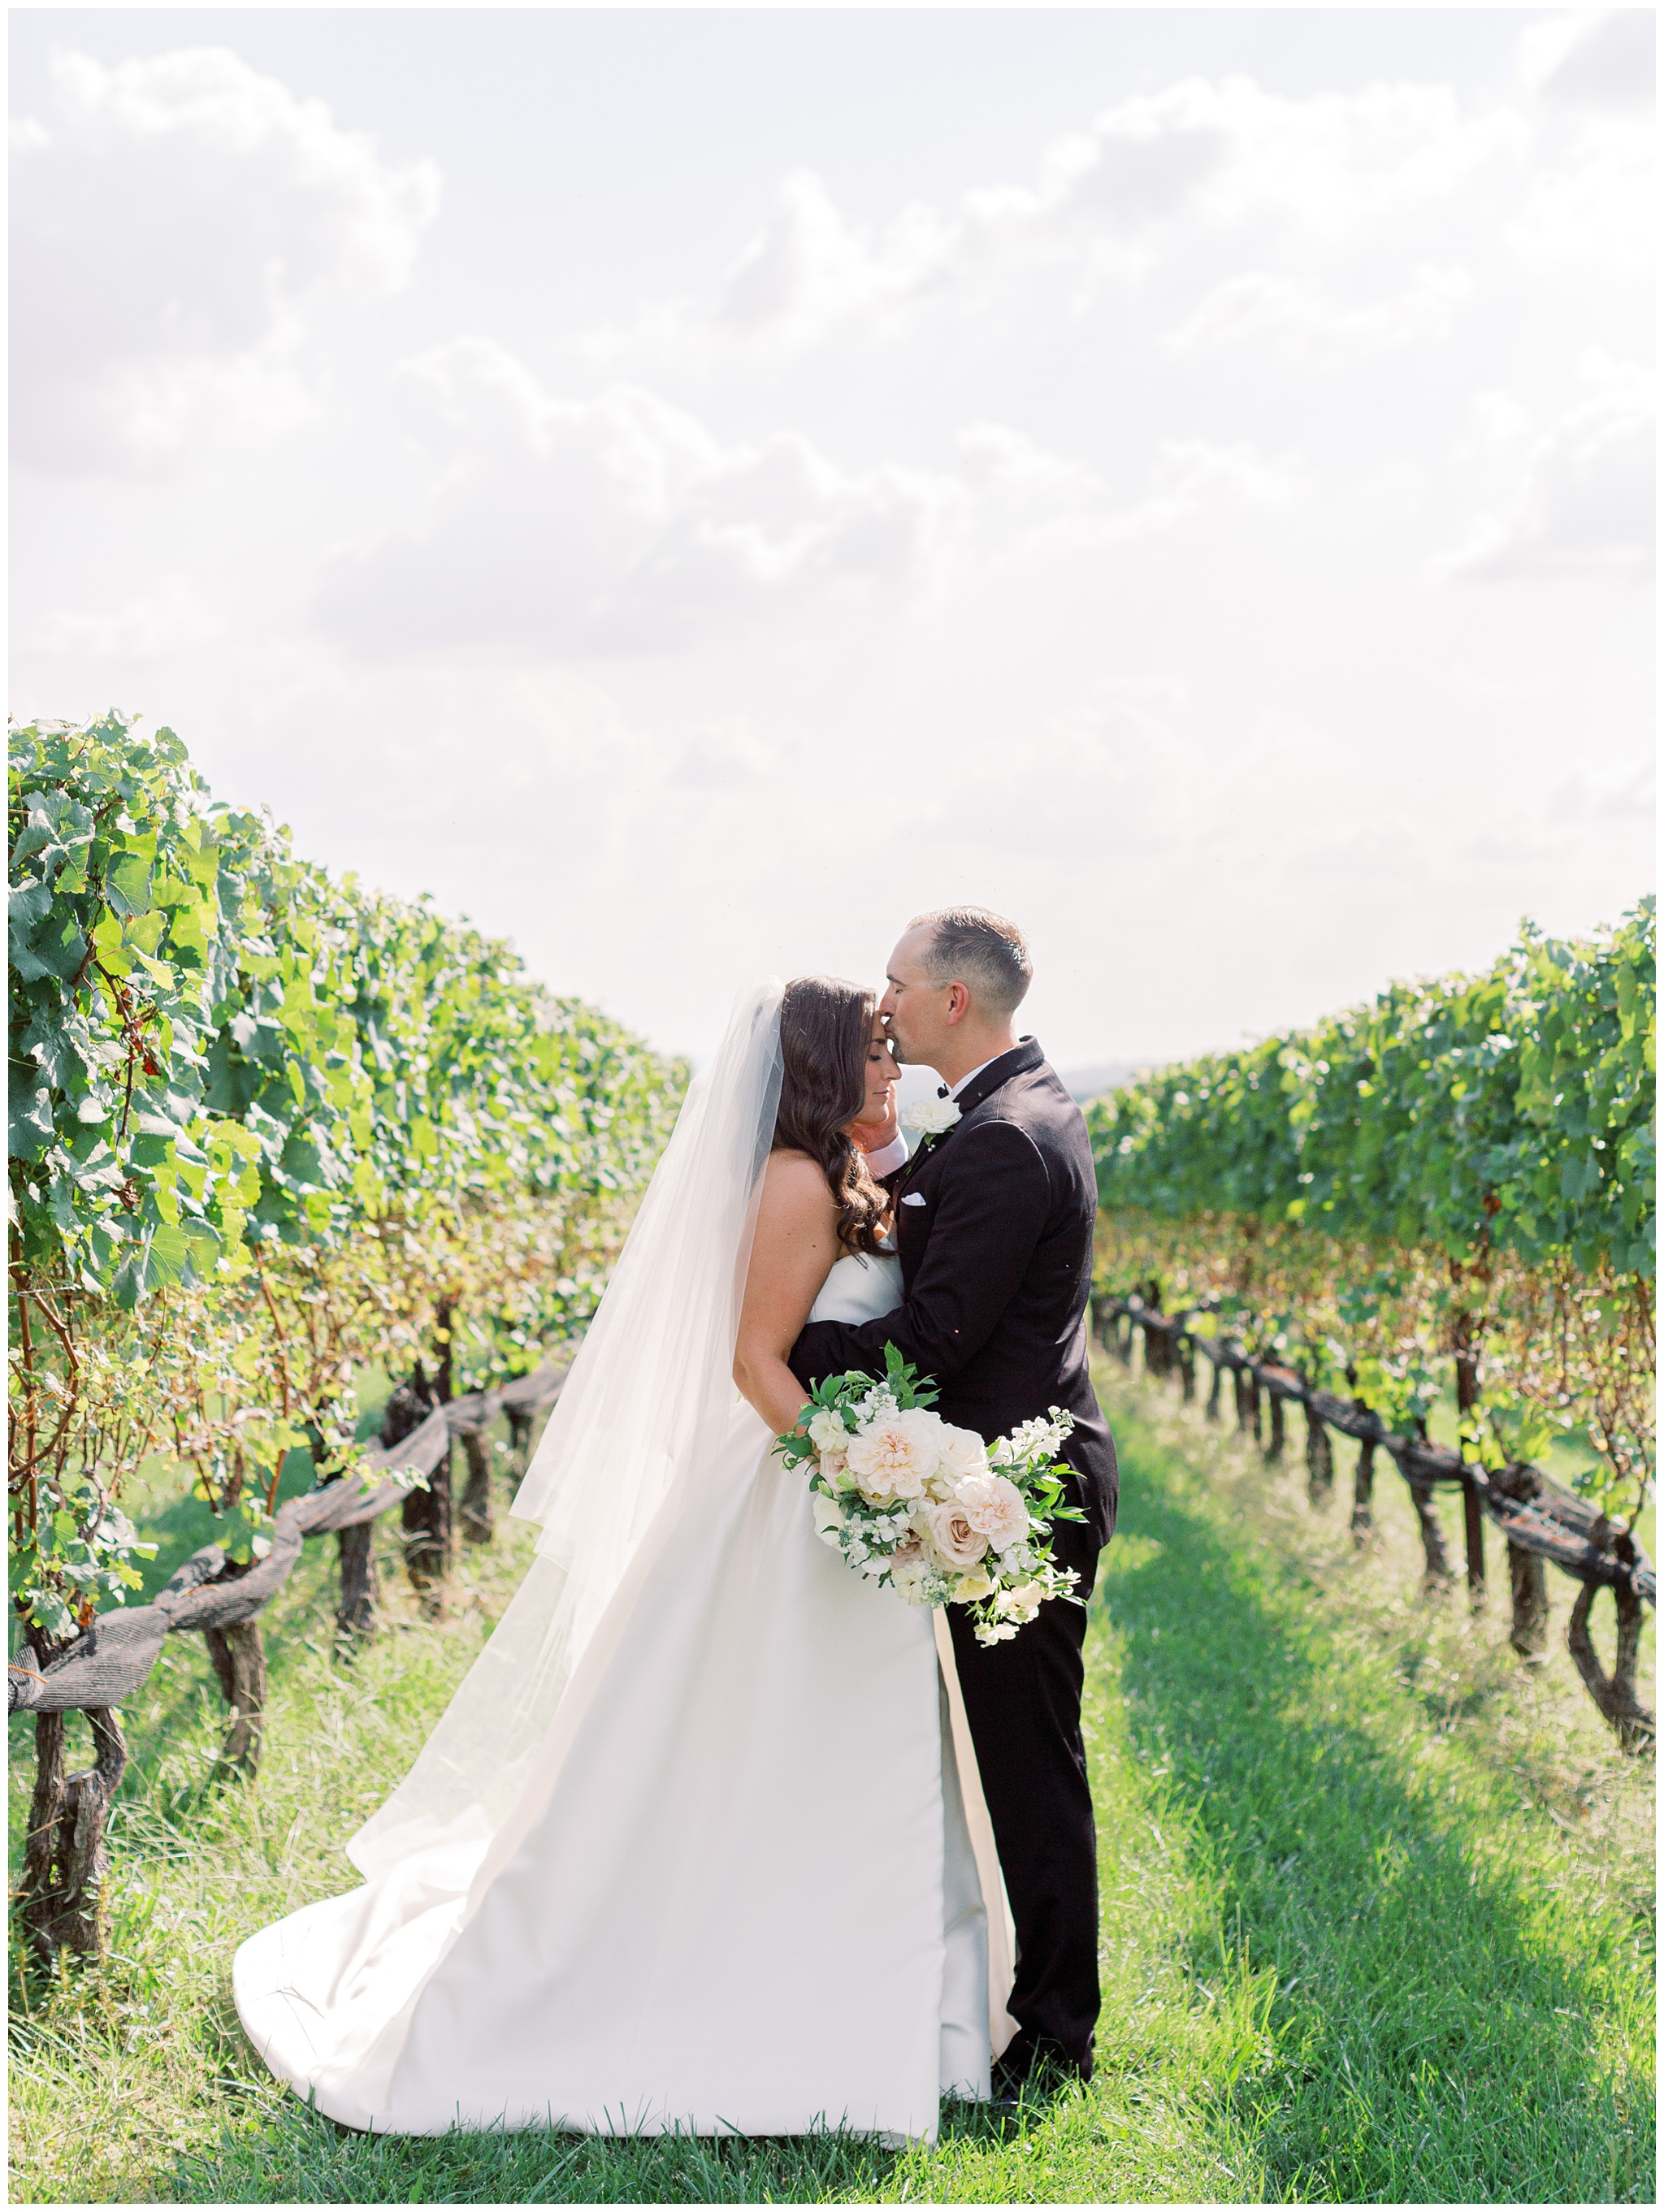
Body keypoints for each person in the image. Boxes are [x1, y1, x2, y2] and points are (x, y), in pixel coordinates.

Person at [232, 976, 1013, 2140]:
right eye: (875, 1054)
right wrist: (866, 1482)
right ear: (819, 1068)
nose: (892, 1072)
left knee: (838, 1750)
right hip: (798, 1501)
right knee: (758, 1742)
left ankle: (887, 2009)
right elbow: (758, 1365)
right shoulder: (797, 1181)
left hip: (831, 1498)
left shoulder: (843, 1171)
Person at [791, 907, 1117, 2093]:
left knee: (1027, 1758)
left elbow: (927, 1339)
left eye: (897, 986)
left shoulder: (1003, 1139)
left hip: (1016, 1491)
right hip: (999, 1469)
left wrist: (785, 1354)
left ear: (953, 1002)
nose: (885, 1006)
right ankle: (1027, 2004)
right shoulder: (1004, 1118)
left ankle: (1057, 2036)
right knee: (1015, 1751)